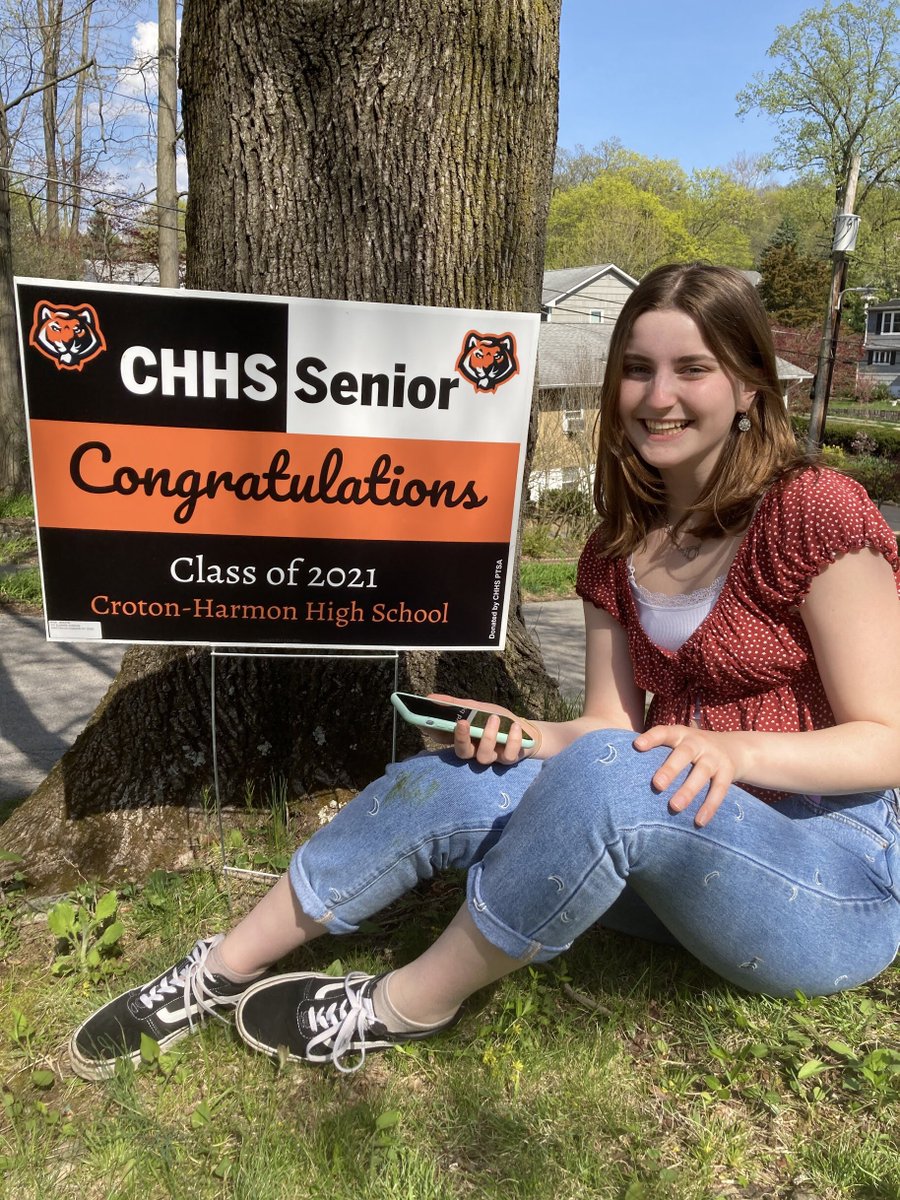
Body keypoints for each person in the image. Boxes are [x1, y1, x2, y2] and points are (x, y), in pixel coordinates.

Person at [69, 263, 900, 1080]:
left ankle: (402, 1006)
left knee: (615, 777)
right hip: (682, 858)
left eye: (693, 369)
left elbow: (888, 740)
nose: (658, 396)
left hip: (830, 880)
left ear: (751, 387)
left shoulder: (812, 512)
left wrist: (737, 753)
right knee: (456, 776)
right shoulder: (617, 545)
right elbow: (609, 728)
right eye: (638, 369)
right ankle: (215, 971)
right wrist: (522, 735)